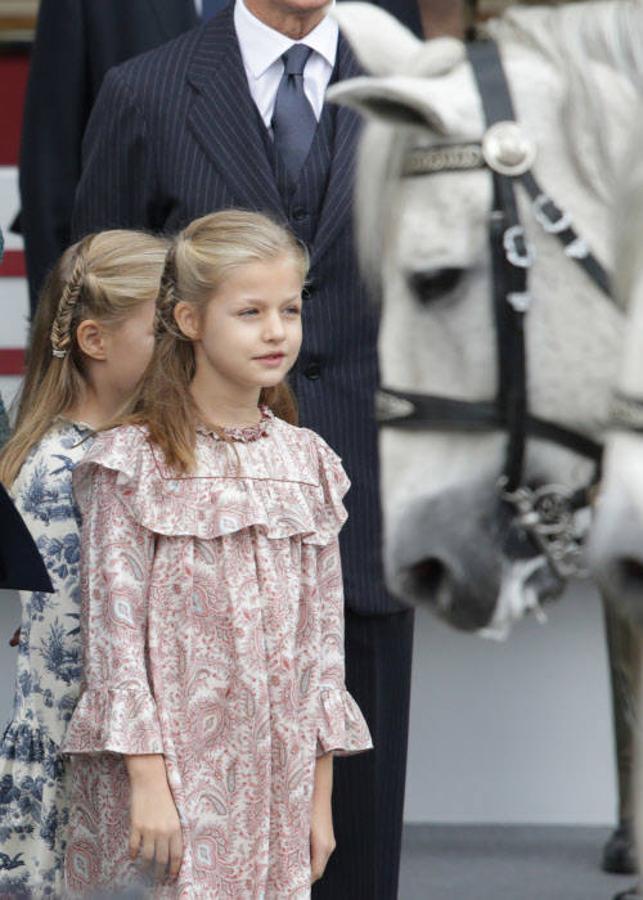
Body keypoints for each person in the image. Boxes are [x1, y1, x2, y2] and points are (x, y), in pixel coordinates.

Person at [70, 3, 415, 898]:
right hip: (183, 504)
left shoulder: (414, 83)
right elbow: (97, 299)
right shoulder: (144, 91)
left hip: (370, 485)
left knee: (344, 842)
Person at [62, 211, 372, 898]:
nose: (275, 331)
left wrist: (317, 799)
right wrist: (147, 782)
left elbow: (322, 647)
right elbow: (114, 641)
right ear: (191, 320)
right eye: (249, 311)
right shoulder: (130, 462)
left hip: (278, 779)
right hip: (167, 779)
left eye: (289, 309)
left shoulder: (309, 463)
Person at [20, 0, 422, 320]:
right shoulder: (141, 91)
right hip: (195, 414)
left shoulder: (411, 84)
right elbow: (103, 289)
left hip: (372, 412)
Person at [0, 230, 168, 897]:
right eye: (164, 329)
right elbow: (80, 661)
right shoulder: (64, 470)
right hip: (91, 779)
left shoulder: (128, 448)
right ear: (95, 341)